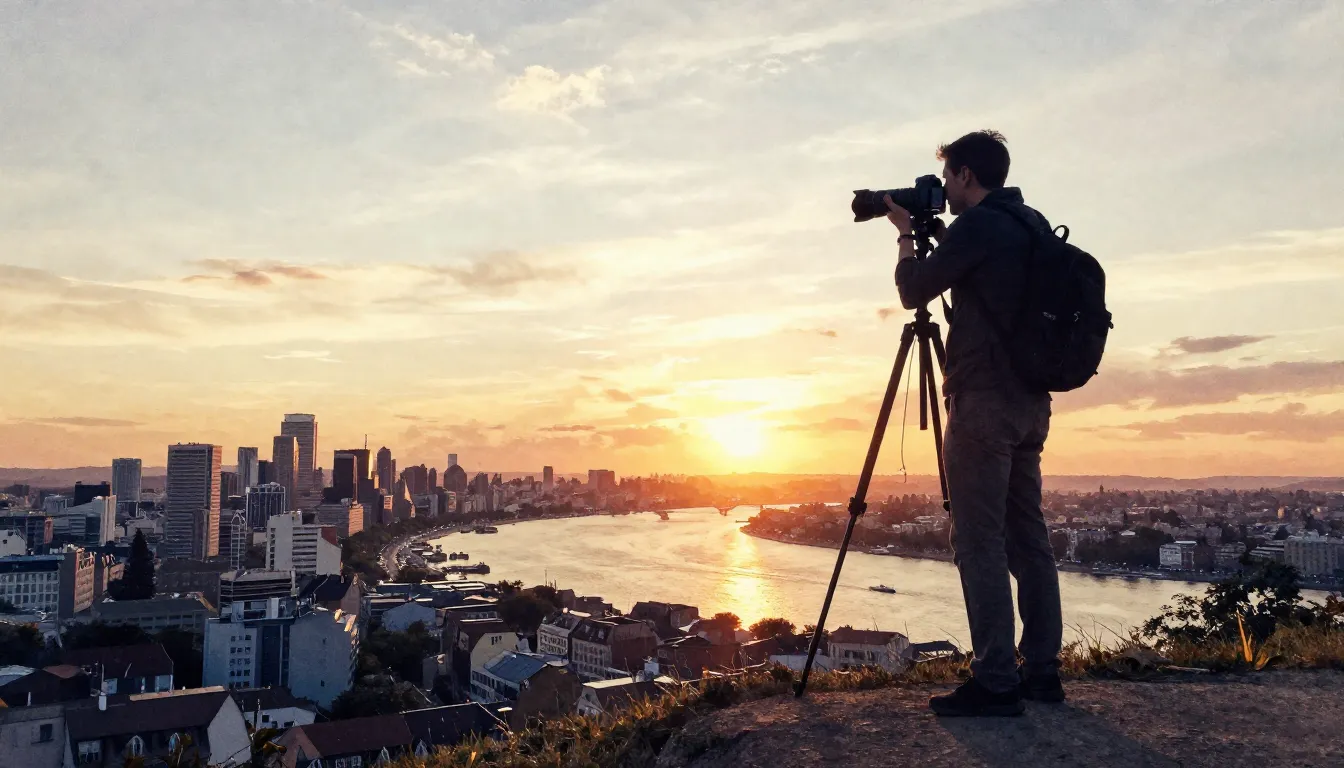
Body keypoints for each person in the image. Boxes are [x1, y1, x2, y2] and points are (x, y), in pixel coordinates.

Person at [884, 130, 1064, 717]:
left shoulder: (980, 226)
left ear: (965, 175)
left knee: (978, 539)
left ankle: (995, 680)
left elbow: (914, 291)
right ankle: (1042, 671)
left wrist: (906, 234)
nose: (945, 190)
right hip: (1031, 402)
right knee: (1028, 538)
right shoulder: (1030, 222)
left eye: (948, 178)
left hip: (984, 401)